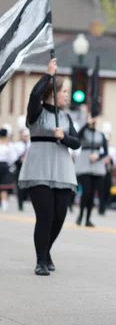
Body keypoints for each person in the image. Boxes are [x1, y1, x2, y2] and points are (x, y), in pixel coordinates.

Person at [18, 58, 80, 276]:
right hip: (39, 168)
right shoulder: (36, 113)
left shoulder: (65, 117)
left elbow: (77, 142)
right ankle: (40, 261)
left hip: (62, 170)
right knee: (45, 216)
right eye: (63, 91)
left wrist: (64, 137)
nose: (66, 95)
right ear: (53, 92)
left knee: (59, 217)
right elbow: (34, 96)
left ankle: (46, 251)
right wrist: (48, 75)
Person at [74, 115, 108, 227]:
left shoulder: (100, 135)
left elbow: (105, 152)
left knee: (92, 194)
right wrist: (86, 124)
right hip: (85, 165)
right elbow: (77, 135)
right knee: (86, 192)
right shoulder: (84, 132)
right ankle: (80, 216)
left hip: (96, 166)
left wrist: (98, 156)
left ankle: (88, 218)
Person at [0, 127, 18, 212]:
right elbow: (13, 158)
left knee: (3, 186)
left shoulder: (9, 145)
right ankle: (3, 203)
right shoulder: (9, 145)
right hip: (5, 166)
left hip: (4, 166)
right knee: (3, 187)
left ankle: (3, 203)